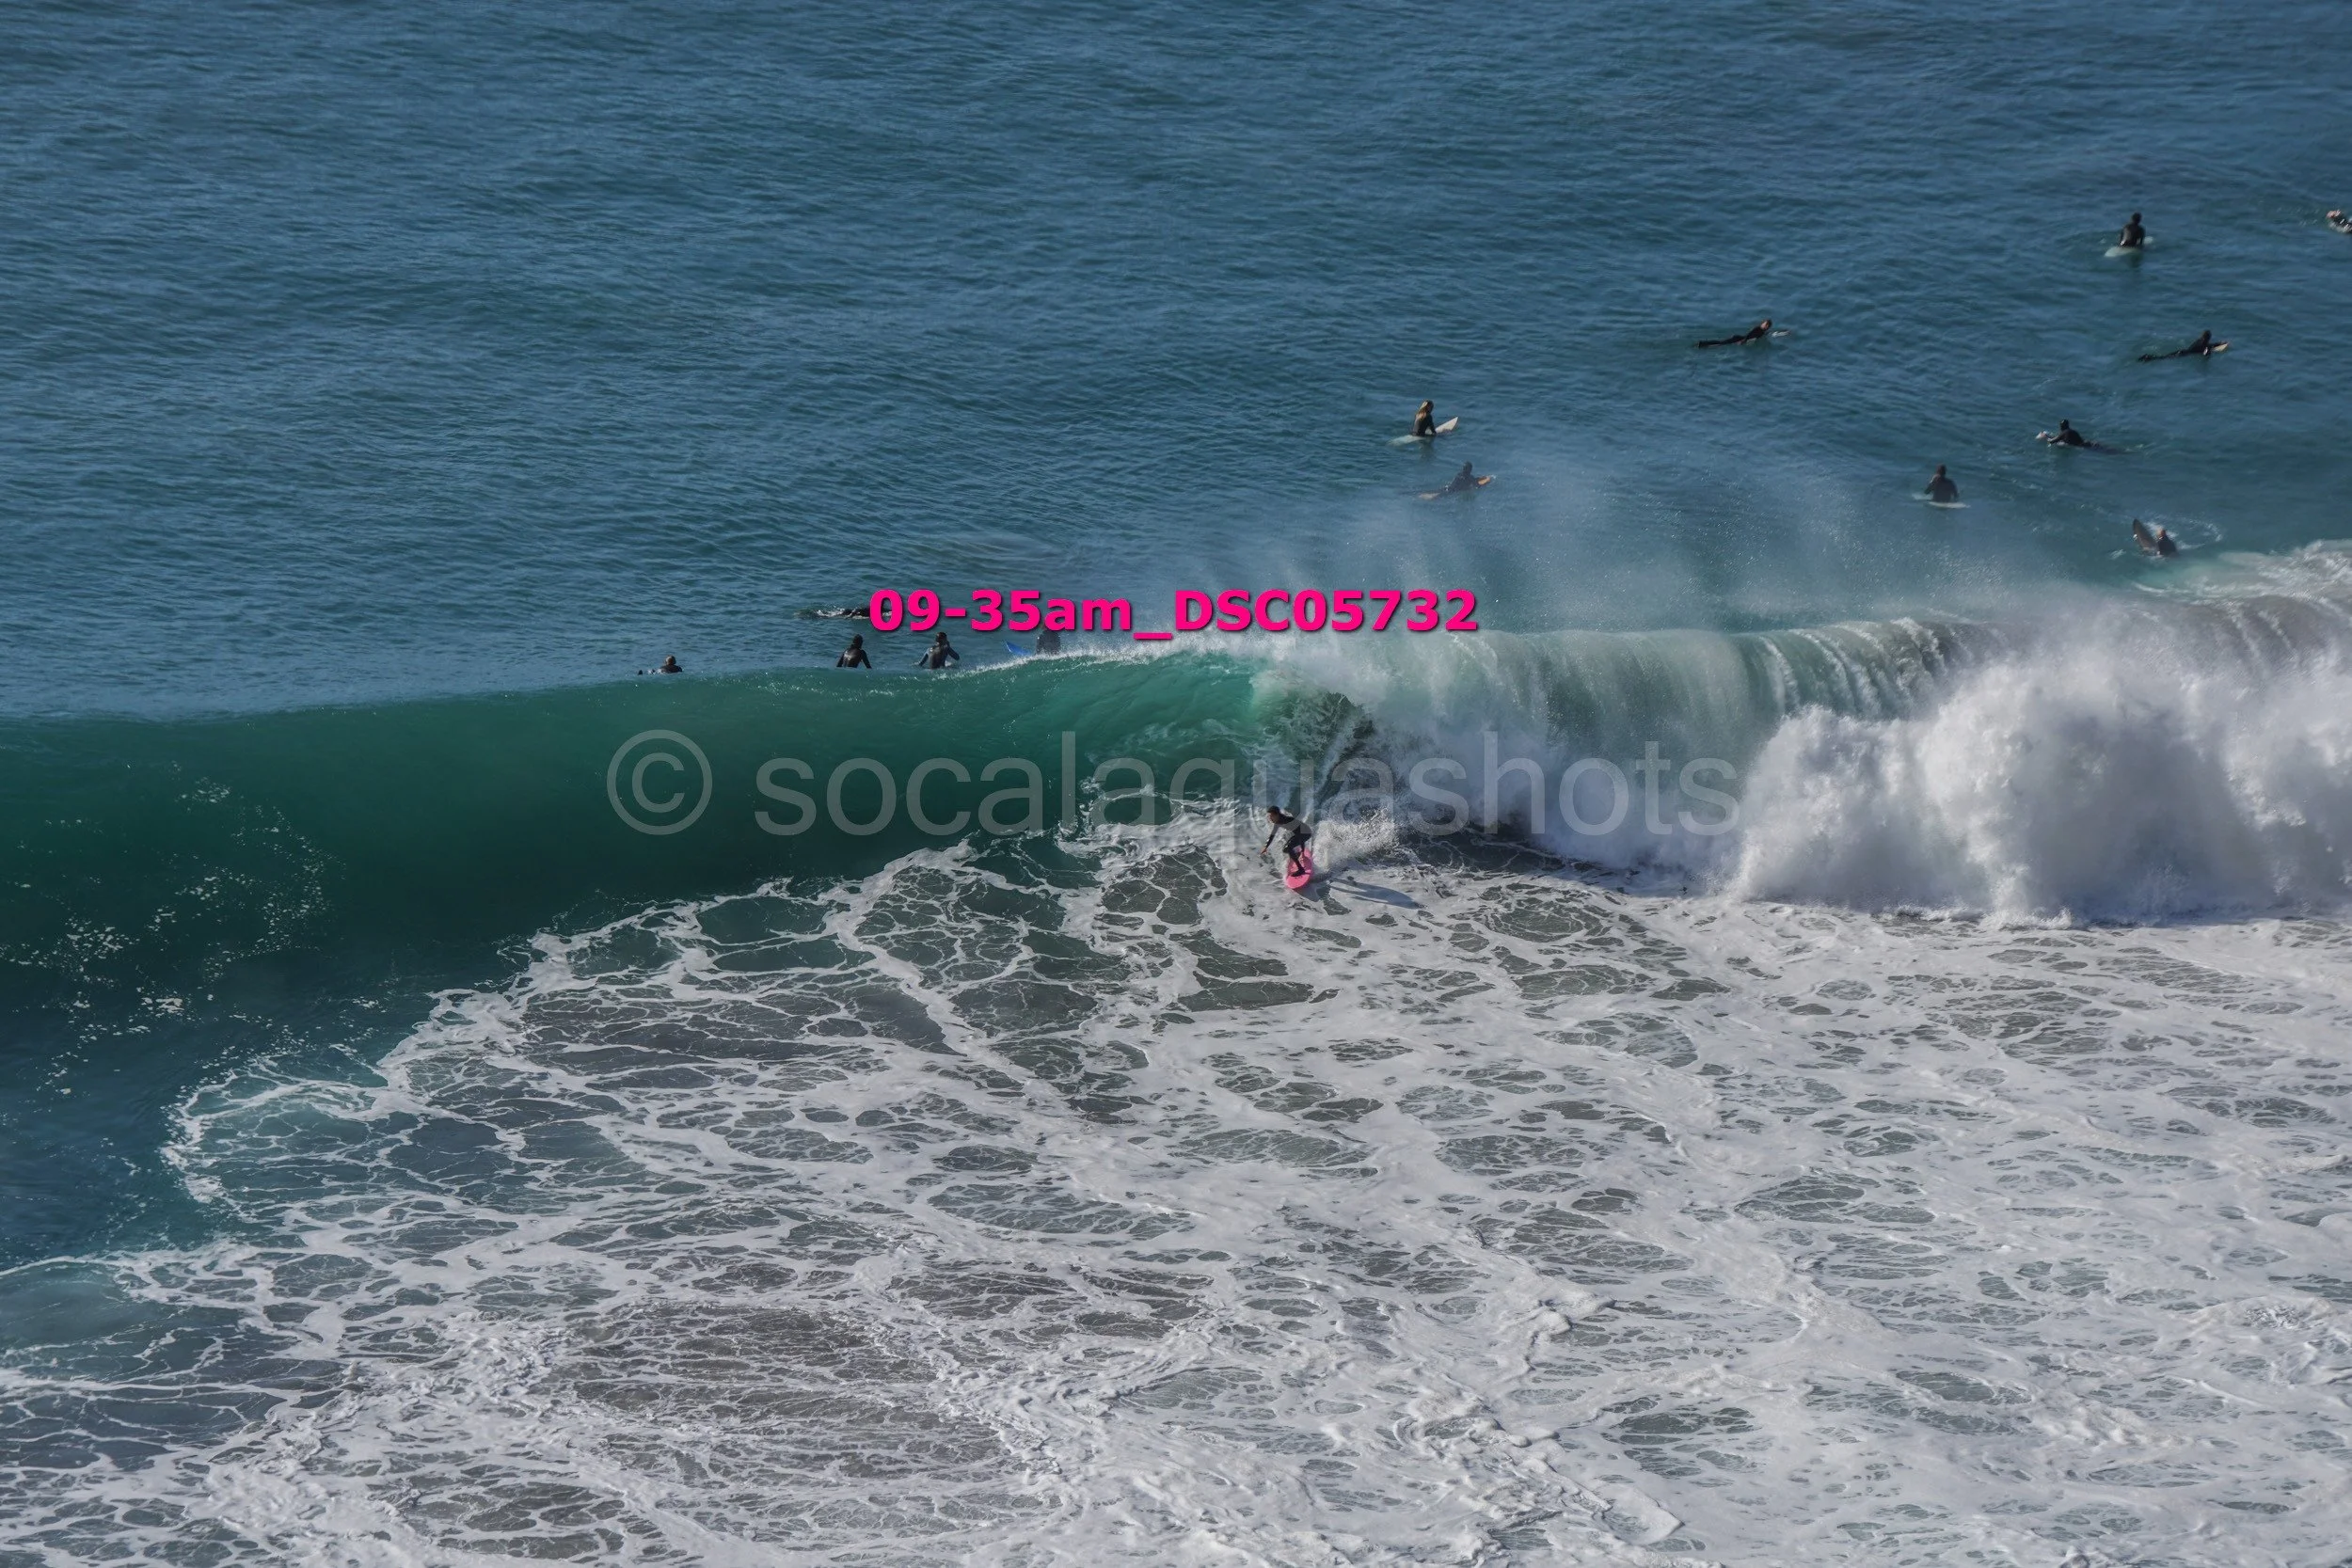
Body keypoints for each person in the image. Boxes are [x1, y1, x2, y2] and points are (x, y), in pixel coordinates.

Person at [1261, 807, 1311, 877]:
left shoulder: (1286, 820)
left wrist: (1302, 849)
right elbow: (1272, 835)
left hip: (1306, 833)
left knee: (1290, 847)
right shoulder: (1278, 823)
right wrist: (1266, 847)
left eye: (1271, 816)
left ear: (1277, 815)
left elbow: (1302, 830)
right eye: (1269, 816)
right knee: (1285, 849)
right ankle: (1297, 854)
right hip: (1301, 833)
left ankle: (1301, 869)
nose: (1270, 818)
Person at [2140, 329, 2220, 361]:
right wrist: (2209, 354)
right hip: (2184, 355)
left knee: (2164, 357)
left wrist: (2219, 344)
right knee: (2164, 358)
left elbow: (2209, 345)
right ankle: (2149, 358)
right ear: (2208, 338)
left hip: (2182, 351)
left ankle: (2149, 357)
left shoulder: (2199, 341)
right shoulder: (2205, 346)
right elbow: (2206, 354)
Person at [1695, 318, 1772, 348]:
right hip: (1738, 339)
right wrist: (1743, 341)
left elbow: (1755, 336)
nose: (1766, 326)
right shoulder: (1758, 328)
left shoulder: (1762, 332)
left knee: (1721, 343)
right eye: (1765, 324)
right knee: (1721, 343)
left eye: (1768, 325)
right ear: (1762, 324)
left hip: (1740, 338)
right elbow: (1750, 334)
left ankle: (1703, 344)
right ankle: (1702, 343)